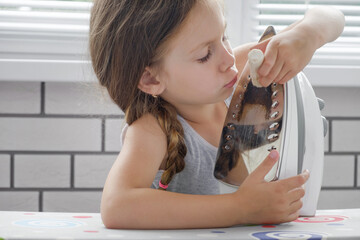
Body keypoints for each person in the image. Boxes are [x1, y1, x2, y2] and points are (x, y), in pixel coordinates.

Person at [89, 0, 345, 229]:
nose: (228, 59)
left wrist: (309, 34)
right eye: (204, 55)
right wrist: (240, 208)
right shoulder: (151, 130)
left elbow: (332, 16)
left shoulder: (246, 70)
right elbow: (116, 206)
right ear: (150, 77)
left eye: (224, 37)